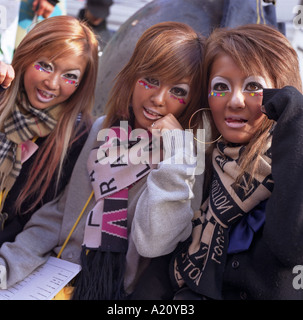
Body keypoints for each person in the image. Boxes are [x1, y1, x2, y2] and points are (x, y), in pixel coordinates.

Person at [0, 21, 205, 300]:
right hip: (55, 275)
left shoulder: (187, 159)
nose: (158, 99)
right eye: (151, 80)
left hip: (114, 293)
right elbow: (59, 215)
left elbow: (154, 243)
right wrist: (6, 267)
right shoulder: (103, 131)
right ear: (132, 77)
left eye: (178, 91)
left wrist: (177, 155)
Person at [169, 24, 303, 300]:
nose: (235, 100)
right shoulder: (204, 164)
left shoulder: (293, 162)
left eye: (253, 86)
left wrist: (296, 120)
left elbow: (291, 246)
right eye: (220, 87)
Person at [0, 15, 99, 245]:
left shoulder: (78, 137)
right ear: (25, 58)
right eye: (45, 66)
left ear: (82, 83)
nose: (53, 83)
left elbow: (40, 224)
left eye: (70, 76)